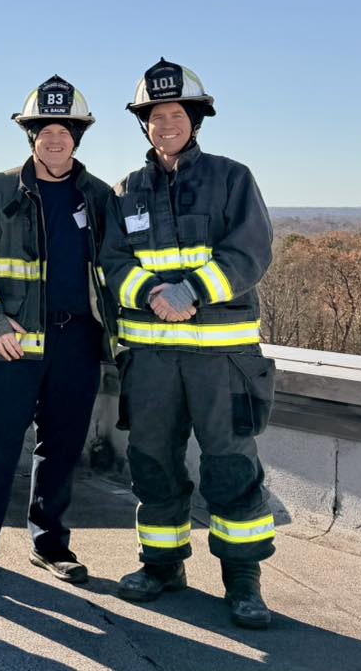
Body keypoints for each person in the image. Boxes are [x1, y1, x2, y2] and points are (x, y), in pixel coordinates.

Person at [101, 59, 276, 629]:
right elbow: (112, 261)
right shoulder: (127, 191)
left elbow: (250, 251)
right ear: (145, 125)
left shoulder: (232, 178)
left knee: (230, 465)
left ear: (195, 120)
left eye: (176, 114)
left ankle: (243, 581)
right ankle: (161, 565)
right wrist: (151, 293)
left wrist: (192, 291)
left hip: (221, 360)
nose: (166, 124)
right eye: (156, 116)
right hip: (152, 360)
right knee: (152, 462)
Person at [0, 75, 117, 588]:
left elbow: (116, 267)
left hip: (78, 344)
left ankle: (50, 545)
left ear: (77, 137)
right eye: (45, 131)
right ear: (31, 137)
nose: (55, 139)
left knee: (61, 449)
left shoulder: (98, 196)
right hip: (13, 347)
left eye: (65, 131)